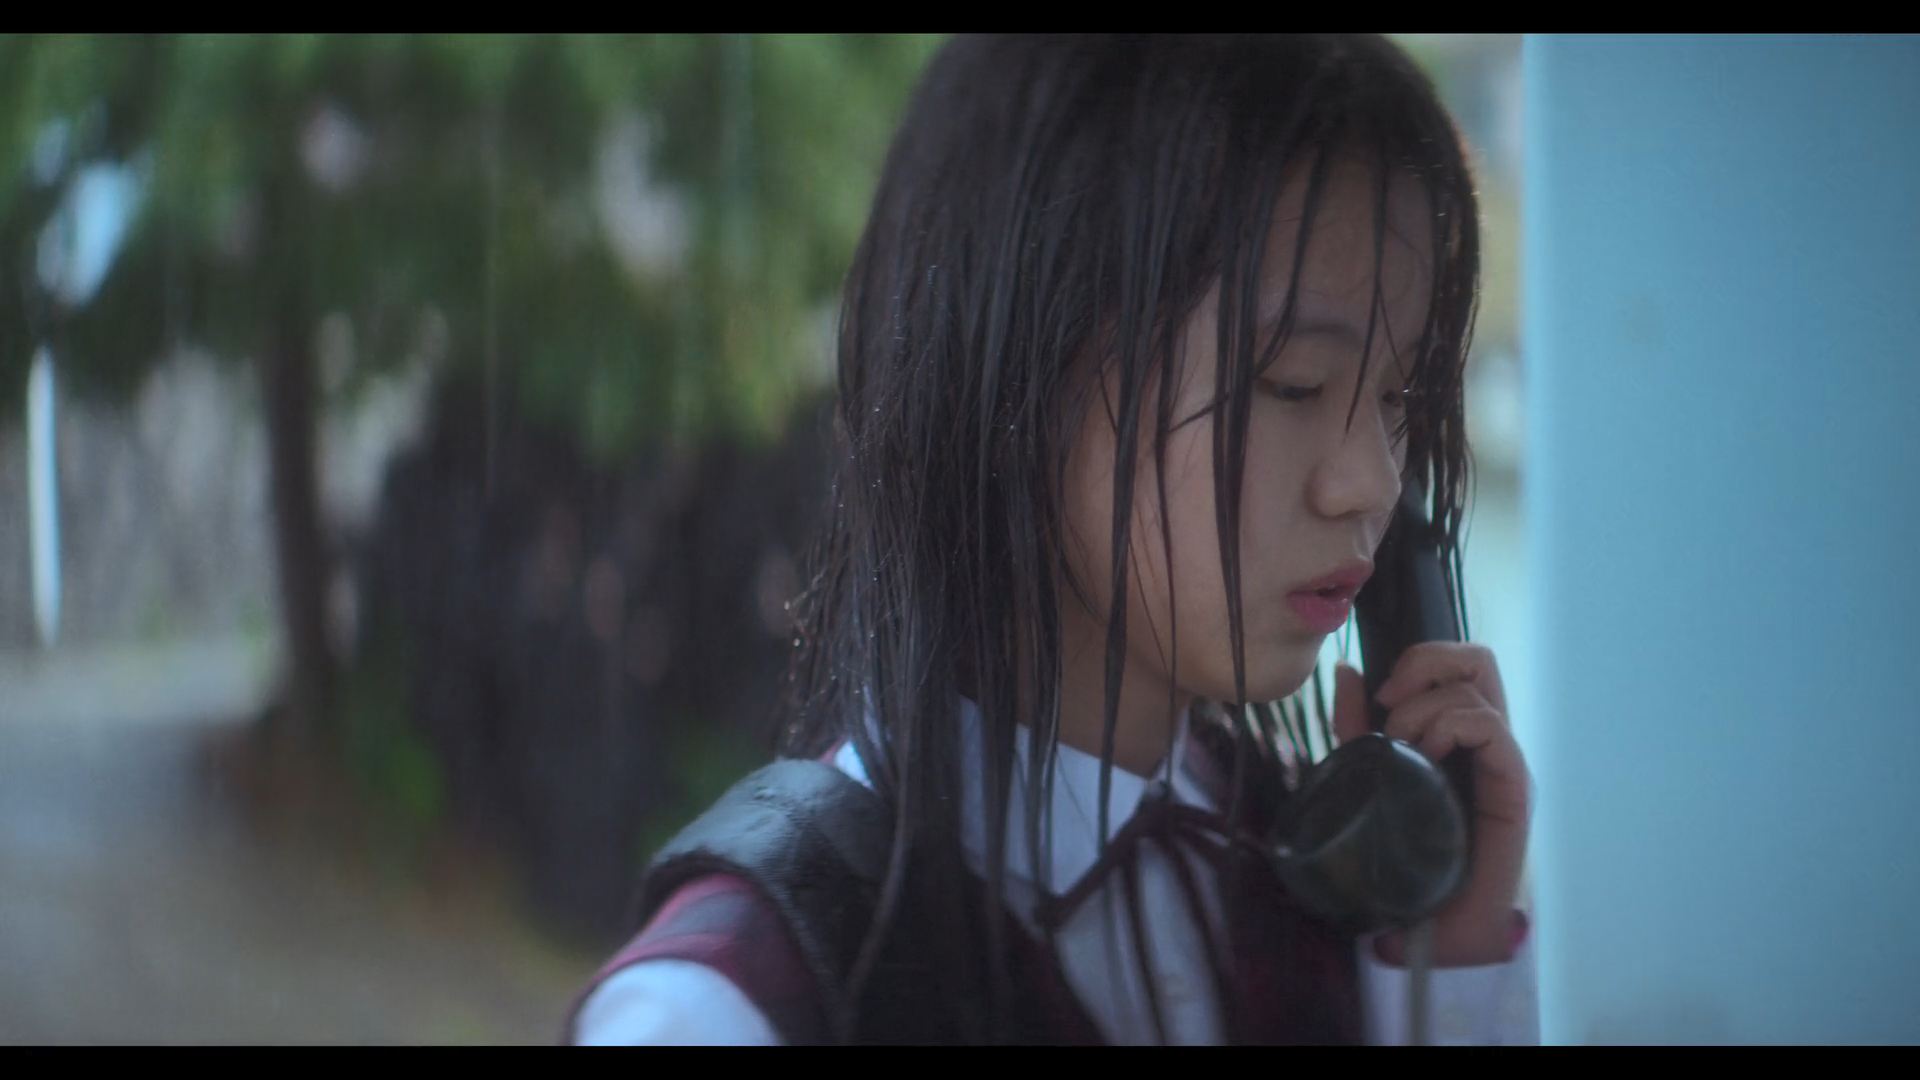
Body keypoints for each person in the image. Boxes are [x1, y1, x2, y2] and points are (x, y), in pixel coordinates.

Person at [569, 33, 1534, 1045]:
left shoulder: (1312, 896)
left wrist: (1447, 966)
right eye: (1295, 384)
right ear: (1032, 359)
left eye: (1397, 399)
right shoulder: (735, 1003)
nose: (1372, 482)